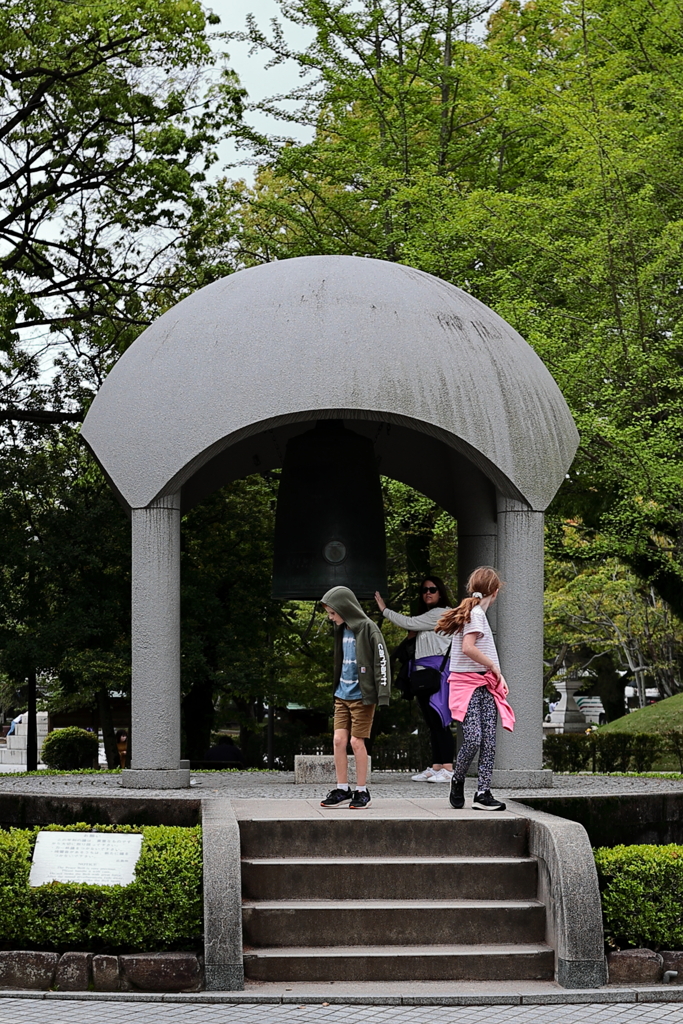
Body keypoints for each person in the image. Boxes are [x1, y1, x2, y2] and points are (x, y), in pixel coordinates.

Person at [436, 566, 515, 812]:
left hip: (483, 683)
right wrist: (494, 667)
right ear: (496, 590)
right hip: (468, 684)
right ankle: (458, 779)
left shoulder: (474, 612)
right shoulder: (477, 614)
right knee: (474, 738)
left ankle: (483, 792)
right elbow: (469, 648)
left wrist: (497, 676)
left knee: (488, 740)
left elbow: (476, 650)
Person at [375, 577, 454, 783]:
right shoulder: (429, 617)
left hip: (435, 674)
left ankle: (448, 767)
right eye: (424, 590)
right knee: (432, 721)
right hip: (424, 675)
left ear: (440, 592)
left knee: (439, 720)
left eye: (432, 589)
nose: (428, 593)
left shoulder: (441, 613)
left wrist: (384, 610)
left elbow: (408, 622)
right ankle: (438, 766)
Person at [319, 585, 391, 809]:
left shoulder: (369, 628)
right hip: (342, 695)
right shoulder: (342, 629)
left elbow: (382, 660)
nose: (331, 618)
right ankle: (342, 788)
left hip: (362, 697)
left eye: (333, 613)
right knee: (338, 740)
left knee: (356, 742)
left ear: (345, 608)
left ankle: (362, 791)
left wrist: (382, 693)